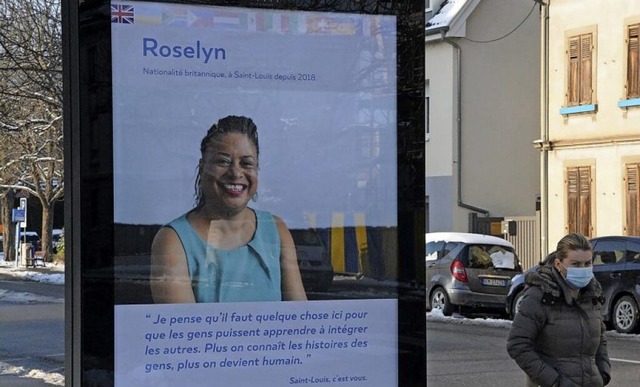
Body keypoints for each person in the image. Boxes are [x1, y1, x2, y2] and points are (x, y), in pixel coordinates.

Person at [150, 115, 307, 303]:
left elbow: (299, 319)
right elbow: (184, 331)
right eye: (223, 161)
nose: (236, 173)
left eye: (247, 163)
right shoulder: (172, 240)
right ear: (202, 168)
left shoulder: (276, 229)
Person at [506, 233, 611, 387]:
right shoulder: (540, 295)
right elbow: (517, 344)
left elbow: (600, 338)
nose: (583, 269)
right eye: (575, 264)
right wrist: (555, 382)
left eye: (587, 263)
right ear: (558, 264)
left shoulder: (591, 295)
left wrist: (603, 372)